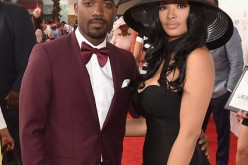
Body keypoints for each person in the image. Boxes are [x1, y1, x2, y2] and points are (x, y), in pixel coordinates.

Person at [19, 0, 139, 164]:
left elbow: (146, 111)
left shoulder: (126, 61)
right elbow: (30, 129)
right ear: (76, 8)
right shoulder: (46, 55)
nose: (97, 11)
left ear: (115, 10)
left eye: (107, 5)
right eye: (89, 3)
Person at [123, 0, 233, 164]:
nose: (170, 15)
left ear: (195, 12)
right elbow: (153, 125)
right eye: (163, 7)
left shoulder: (197, 57)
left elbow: (189, 135)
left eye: (181, 6)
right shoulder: (161, 55)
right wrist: (99, 126)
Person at [201, 0, 244, 164]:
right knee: (195, 132)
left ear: (217, 6)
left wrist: (229, 90)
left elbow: (237, 63)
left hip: (221, 91)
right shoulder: (194, 31)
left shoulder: (229, 31)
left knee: (223, 134)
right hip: (198, 92)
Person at [0, 1, 36, 163]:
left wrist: (18, 87)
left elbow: (29, 56)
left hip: (9, 100)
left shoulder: (16, 13)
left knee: (12, 153)